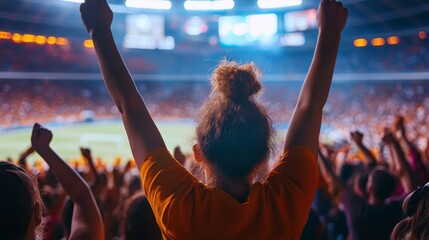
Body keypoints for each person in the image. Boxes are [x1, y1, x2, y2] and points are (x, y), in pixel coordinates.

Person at [79, 0, 347, 238]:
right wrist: (330, 33)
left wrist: (99, 32)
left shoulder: (180, 209)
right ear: (264, 158)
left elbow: (130, 107)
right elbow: (310, 107)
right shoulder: (286, 205)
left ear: (198, 153)